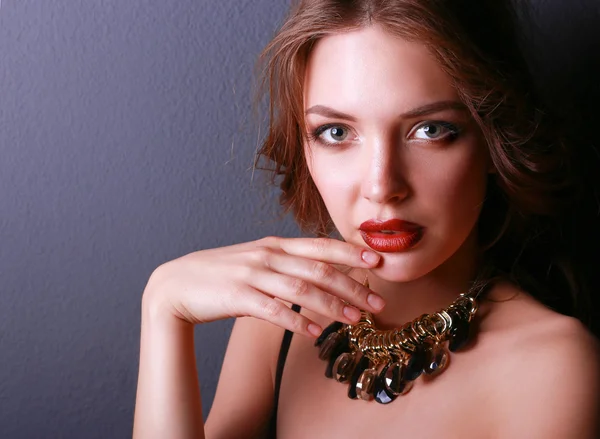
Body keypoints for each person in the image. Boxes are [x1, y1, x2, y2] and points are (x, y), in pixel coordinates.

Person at [132, 0, 600, 438]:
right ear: (304, 148)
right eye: (336, 132)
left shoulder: (553, 363)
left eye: (431, 130)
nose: (381, 186)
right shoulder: (277, 321)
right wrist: (163, 310)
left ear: (493, 139)